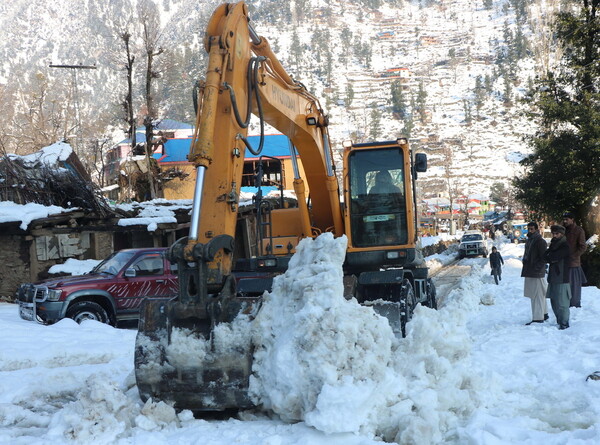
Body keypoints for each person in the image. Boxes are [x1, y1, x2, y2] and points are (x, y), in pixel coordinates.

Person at [544, 225, 572, 330]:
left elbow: (552, 257)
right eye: (553, 233)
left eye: (557, 233)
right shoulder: (553, 245)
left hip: (562, 278)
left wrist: (550, 257)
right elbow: (545, 256)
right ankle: (560, 321)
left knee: (562, 303)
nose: (555, 235)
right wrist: (549, 257)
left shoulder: (565, 246)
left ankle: (564, 323)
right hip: (553, 277)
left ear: (562, 234)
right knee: (554, 302)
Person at [521, 221, 548, 325]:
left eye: (532, 229)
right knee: (539, 294)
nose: (530, 231)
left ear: (536, 229)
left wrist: (536, 268)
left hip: (536, 271)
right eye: (529, 229)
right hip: (531, 270)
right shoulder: (530, 240)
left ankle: (538, 318)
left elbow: (543, 258)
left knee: (536, 295)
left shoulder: (540, 241)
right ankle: (544, 313)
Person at [562, 212, 587, 308]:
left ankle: (575, 304)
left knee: (574, 286)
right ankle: (566, 303)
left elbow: (583, 247)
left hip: (573, 263)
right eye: (564, 219)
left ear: (572, 220)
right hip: (563, 263)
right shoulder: (563, 230)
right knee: (564, 286)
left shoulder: (579, 230)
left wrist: (574, 256)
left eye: (567, 219)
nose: (565, 221)